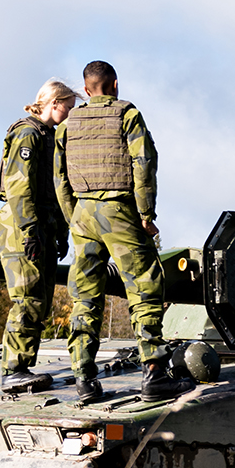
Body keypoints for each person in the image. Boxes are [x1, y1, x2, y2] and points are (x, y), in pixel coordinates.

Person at [55, 60, 190, 403]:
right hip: (120, 211)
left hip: (83, 214)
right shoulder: (127, 115)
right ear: (115, 85)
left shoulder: (68, 125)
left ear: (86, 90)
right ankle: (155, 373)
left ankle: (84, 380)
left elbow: (59, 178)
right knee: (144, 285)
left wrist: (75, 216)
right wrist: (146, 214)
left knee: (85, 295)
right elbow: (144, 163)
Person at [0, 79, 80, 393]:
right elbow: (19, 189)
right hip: (22, 226)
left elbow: (55, 191)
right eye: (68, 107)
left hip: (42, 224)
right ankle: (14, 369)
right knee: (28, 298)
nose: (69, 114)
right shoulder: (28, 134)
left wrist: (58, 232)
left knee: (41, 302)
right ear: (53, 102)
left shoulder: (50, 137)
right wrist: (30, 231)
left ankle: (21, 366)